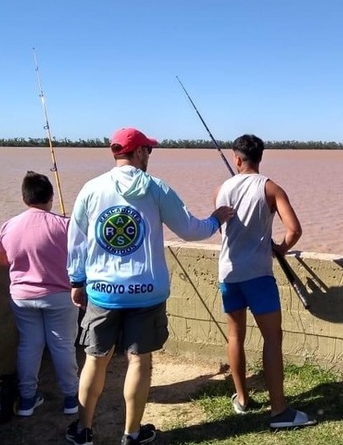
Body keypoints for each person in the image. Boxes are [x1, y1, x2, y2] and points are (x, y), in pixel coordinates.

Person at [65, 127, 234, 445]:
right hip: (147, 292)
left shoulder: (91, 189)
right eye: (149, 151)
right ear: (139, 152)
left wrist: (77, 281)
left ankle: (83, 431)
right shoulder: (157, 189)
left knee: (95, 359)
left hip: (102, 292)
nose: (149, 156)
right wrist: (215, 220)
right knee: (139, 360)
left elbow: (75, 240)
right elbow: (189, 229)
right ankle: (131, 434)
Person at [215, 134, 317, 429]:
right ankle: (279, 410)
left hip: (228, 274)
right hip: (259, 274)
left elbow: (222, 233)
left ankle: (243, 399)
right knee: (272, 338)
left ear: (236, 159)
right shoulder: (270, 188)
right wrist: (280, 249)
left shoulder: (220, 190)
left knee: (235, 336)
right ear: (260, 157)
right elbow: (294, 230)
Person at [0, 171, 79, 417]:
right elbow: (80, 257)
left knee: (29, 346)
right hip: (60, 297)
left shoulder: (8, 226)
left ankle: (27, 401)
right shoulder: (66, 225)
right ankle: (71, 399)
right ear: (51, 197)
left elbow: (1, 261)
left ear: (24, 198)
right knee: (62, 345)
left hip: (22, 297)